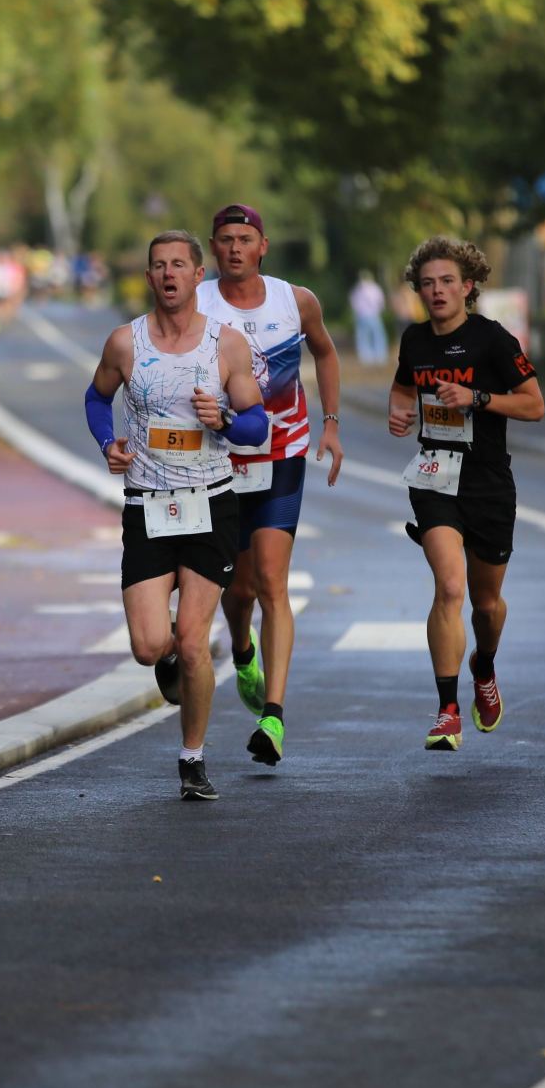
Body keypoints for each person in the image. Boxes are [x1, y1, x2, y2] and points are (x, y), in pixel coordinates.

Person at [84, 230, 267, 802]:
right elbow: (96, 397)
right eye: (159, 266)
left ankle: (193, 760)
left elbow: (257, 426)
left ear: (197, 275)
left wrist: (225, 421)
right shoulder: (125, 342)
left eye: (179, 265)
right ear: (149, 277)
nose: (169, 274)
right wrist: (108, 441)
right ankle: (170, 655)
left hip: (210, 502)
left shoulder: (225, 345)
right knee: (149, 645)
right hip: (147, 505)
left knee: (192, 643)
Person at [194, 203, 343, 768]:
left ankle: (274, 717)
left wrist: (331, 424)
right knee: (239, 589)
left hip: (282, 453)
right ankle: (242, 649)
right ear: (213, 247)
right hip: (219, 456)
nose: (235, 248)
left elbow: (325, 351)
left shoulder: (295, 301)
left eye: (245, 238)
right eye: (225, 239)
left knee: (273, 583)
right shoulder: (197, 304)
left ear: (263, 247)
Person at [388, 237, 544, 751]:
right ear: (418, 290)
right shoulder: (414, 340)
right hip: (435, 476)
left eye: (447, 282)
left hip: (488, 482)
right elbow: (404, 386)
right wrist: (399, 411)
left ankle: (485, 665)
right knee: (450, 587)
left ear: (467, 287)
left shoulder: (492, 339)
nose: (437, 291)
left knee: (486, 604)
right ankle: (447, 711)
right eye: (427, 283)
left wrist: (477, 397)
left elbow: (534, 405)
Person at [349, 269, 388, 365]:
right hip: (374, 315)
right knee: (377, 335)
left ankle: (366, 357)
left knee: (363, 337)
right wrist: (379, 310)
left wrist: (357, 313)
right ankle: (380, 356)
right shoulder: (375, 288)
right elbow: (381, 302)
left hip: (362, 315)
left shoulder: (358, 289)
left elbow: (354, 303)